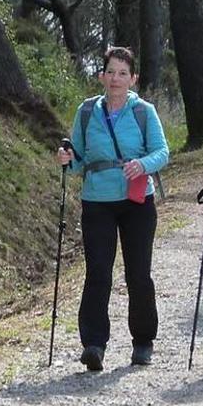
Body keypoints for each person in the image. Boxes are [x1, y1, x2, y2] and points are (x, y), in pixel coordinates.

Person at [56, 46, 170, 371]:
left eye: (123, 73)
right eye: (110, 72)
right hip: (97, 201)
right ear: (101, 76)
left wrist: (142, 164)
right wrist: (66, 159)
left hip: (137, 202)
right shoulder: (86, 111)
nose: (116, 79)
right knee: (98, 272)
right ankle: (93, 344)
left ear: (133, 78)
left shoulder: (144, 111)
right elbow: (77, 159)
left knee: (139, 273)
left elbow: (162, 152)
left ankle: (143, 341)